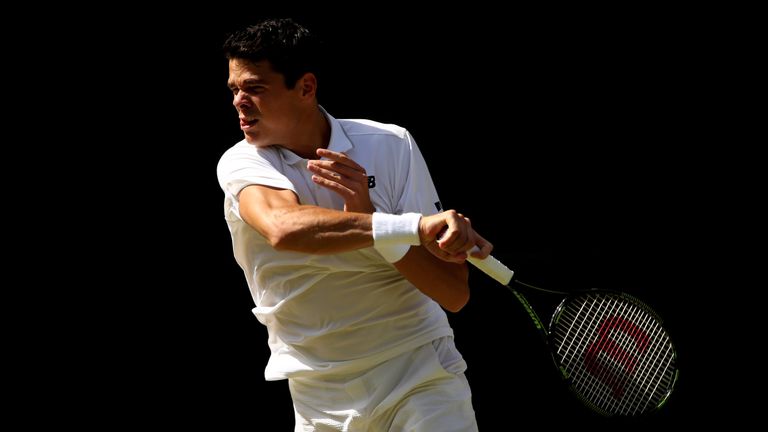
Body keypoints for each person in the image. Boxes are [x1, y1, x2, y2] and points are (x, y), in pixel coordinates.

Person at [216, 18, 492, 431]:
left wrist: (377, 227)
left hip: (420, 378)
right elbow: (283, 228)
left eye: (254, 88)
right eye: (234, 89)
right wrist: (403, 226)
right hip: (319, 397)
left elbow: (453, 294)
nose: (239, 101)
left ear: (305, 88)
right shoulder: (242, 162)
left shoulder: (391, 144)